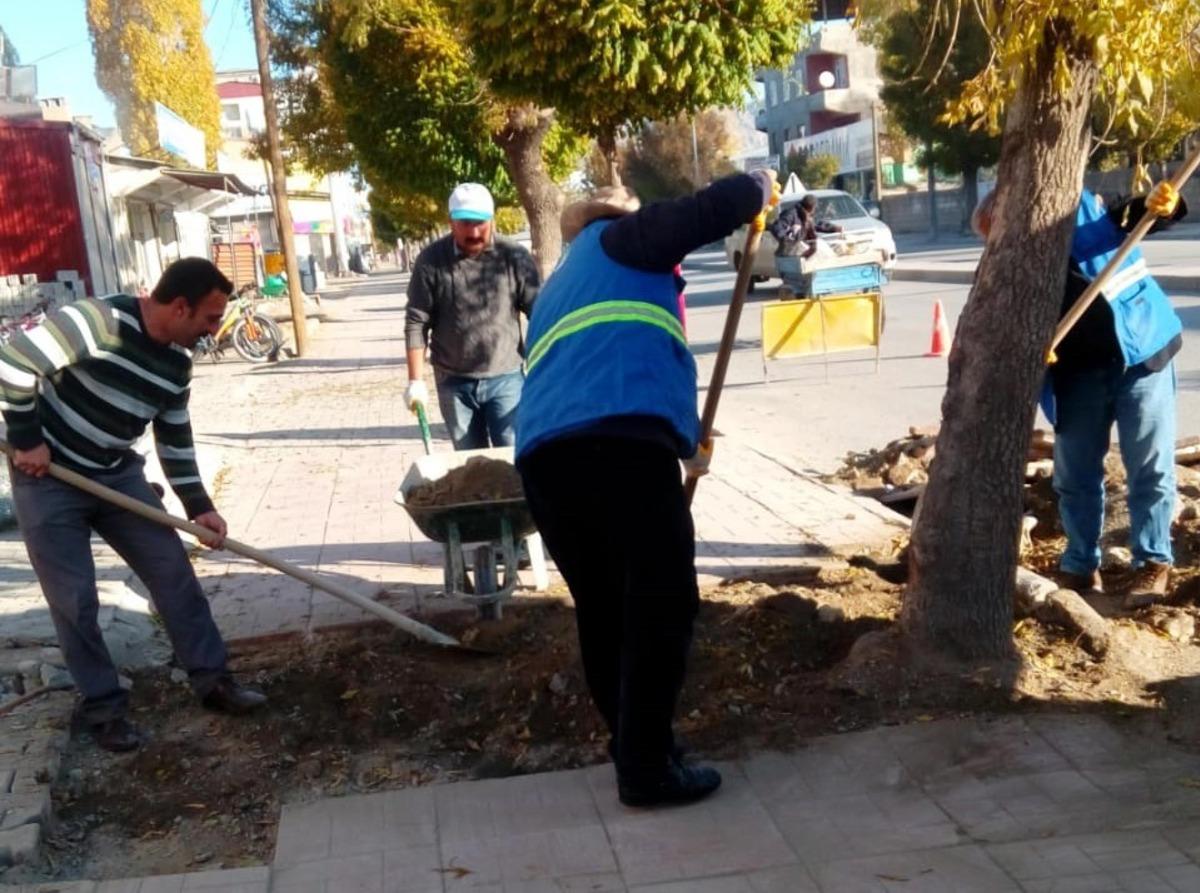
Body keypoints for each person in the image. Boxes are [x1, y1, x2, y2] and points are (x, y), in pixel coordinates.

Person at [515, 170, 776, 807]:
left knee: (606, 614)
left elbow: (611, 354)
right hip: (615, 448)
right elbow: (720, 205)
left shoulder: (565, 281)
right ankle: (646, 767)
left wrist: (684, 443)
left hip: (549, 460)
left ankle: (637, 745)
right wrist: (758, 187)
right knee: (661, 604)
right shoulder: (621, 239)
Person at [0, 258, 267, 752]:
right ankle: (104, 709)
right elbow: (13, 364)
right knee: (75, 600)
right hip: (48, 479)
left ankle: (213, 681)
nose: (213, 331)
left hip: (117, 475)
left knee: (173, 574)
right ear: (180, 306)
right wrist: (26, 438)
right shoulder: (95, 322)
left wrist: (198, 505)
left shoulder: (176, 365)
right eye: (209, 319)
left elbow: (174, 437)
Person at [974, 181, 1186, 609]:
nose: (1000, 244)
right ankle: (1080, 564)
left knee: (1149, 467)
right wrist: (1033, 348)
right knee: (1074, 477)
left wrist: (1164, 205)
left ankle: (1152, 562)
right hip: (1077, 374)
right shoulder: (1010, 268)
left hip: (1142, 354)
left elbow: (1137, 216)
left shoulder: (1082, 216)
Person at [404, 183, 541, 449]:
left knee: (513, 460)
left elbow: (539, 312)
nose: (474, 232)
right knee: (469, 466)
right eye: (465, 223)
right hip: (453, 383)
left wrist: (546, 366)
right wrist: (415, 381)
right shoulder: (431, 261)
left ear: (492, 219)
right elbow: (416, 322)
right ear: (451, 222)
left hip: (506, 378)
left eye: (481, 223)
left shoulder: (513, 257)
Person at [769, 193, 842, 259]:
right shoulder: (791, 214)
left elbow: (817, 225)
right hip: (790, 252)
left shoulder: (807, 217)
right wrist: (785, 240)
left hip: (802, 249)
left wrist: (834, 228)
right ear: (812, 207)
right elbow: (777, 227)